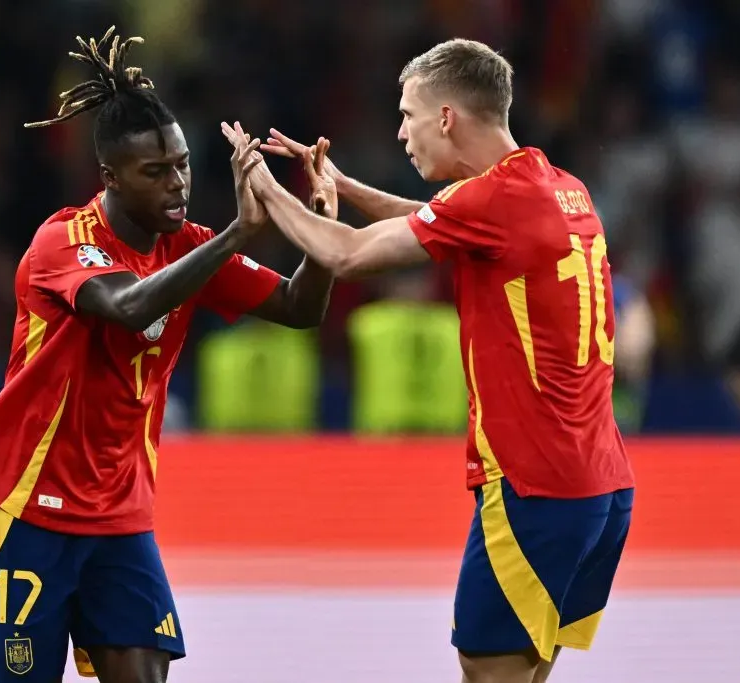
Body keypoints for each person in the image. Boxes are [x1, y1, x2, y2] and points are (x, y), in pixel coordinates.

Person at [225, 37, 636, 683]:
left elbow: (345, 255)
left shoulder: (493, 202)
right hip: (600, 486)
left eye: (408, 115)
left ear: (446, 117)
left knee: (487, 669)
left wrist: (266, 188)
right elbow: (439, 219)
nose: (401, 133)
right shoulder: (560, 188)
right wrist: (343, 186)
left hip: (535, 486)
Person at [0, 28, 333, 683]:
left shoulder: (187, 245)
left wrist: (321, 230)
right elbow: (129, 306)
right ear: (110, 176)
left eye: (183, 165)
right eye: (155, 172)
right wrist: (236, 236)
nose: (177, 184)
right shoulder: (63, 241)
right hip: (28, 508)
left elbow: (300, 308)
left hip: (119, 517)